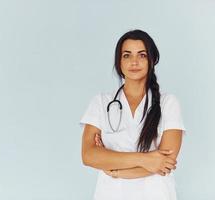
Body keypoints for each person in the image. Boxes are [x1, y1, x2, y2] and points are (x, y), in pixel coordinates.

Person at [79, 29, 186, 200]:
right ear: (119, 62)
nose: (134, 62)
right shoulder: (100, 102)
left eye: (142, 55)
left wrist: (113, 168)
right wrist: (146, 159)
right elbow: (88, 155)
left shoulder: (168, 103)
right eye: (127, 55)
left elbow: (165, 163)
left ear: (152, 60)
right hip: (110, 194)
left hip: (155, 194)